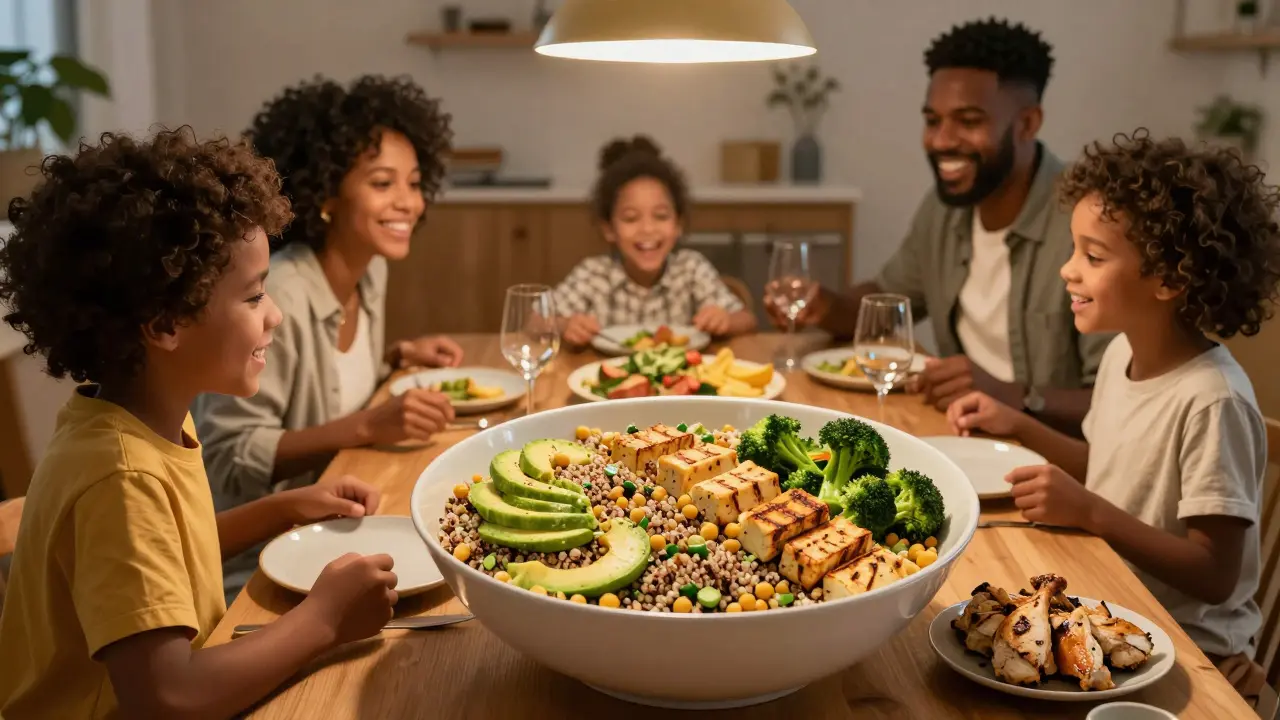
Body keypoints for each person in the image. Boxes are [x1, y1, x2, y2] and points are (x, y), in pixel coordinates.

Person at [0, 129, 400, 719]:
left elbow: (163, 556)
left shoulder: (132, 420)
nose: (276, 314)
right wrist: (324, 620)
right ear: (165, 325)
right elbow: (169, 697)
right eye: (253, 296)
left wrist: (282, 510)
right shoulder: (120, 475)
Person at [947, 130, 1280, 702]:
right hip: (1119, 615)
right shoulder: (1124, 353)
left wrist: (1090, 512)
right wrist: (1020, 424)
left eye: (1093, 256)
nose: (1067, 271)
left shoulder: (1212, 400)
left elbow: (1214, 573)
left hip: (1198, 662)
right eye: (1074, 249)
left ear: (1171, 279)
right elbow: (1112, 468)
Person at [768, 18, 1108, 432]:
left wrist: (1013, 394)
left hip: (1057, 465)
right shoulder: (945, 210)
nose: (941, 140)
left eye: (968, 121)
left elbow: (1125, 399)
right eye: (933, 120)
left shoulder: (1091, 222)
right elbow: (884, 303)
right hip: (961, 433)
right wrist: (824, 304)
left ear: (1027, 124)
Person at [193, 75, 460, 599]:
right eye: (383, 184)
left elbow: (325, 385)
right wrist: (367, 425)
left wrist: (395, 358)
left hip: (341, 528)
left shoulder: (369, 269)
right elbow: (229, 455)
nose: (409, 201)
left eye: (414, 181)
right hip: (262, 564)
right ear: (326, 195)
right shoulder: (282, 296)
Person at [555, 135, 757, 347]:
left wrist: (725, 320)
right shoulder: (593, 274)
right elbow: (536, 322)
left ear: (678, 224)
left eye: (661, 216)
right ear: (609, 229)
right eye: (631, 218)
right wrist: (564, 325)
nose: (647, 229)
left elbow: (747, 320)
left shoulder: (691, 268)